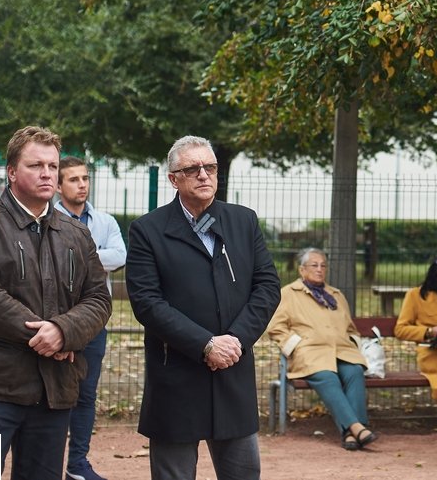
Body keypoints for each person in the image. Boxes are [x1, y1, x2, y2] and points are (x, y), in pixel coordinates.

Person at [0, 126, 112, 480]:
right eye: (36, 165)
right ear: (11, 172)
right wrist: (44, 336)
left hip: (54, 390)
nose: (47, 174)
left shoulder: (75, 233)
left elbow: (99, 298)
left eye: (52, 166)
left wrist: (64, 330)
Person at [127, 136, 282, 480]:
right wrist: (205, 344)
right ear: (173, 178)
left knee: (243, 472)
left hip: (232, 369)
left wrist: (236, 340)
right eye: (192, 168)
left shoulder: (243, 221)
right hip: (177, 375)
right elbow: (147, 303)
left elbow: (268, 287)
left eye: (210, 167)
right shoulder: (148, 231)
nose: (203, 175)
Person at [56, 156, 127, 480]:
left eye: (85, 178)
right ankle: (47, 463)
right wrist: (96, 255)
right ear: (59, 186)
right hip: (57, 325)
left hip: (95, 327)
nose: (82, 184)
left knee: (86, 397)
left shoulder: (106, 222)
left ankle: (77, 464)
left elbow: (120, 256)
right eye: (73, 179)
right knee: (53, 395)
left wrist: (79, 254)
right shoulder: (48, 220)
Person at [267, 248, 378, 451]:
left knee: (354, 371)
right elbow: (276, 328)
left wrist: (352, 344)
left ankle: (350, 433)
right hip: (310, 353)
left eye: (323, 265)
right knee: (328, 376)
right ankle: (357, 427)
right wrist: (297, 346)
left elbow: (351, 328)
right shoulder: (288, 294)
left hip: (341, 350)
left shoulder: (336, 295)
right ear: (302, 270)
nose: (319, 269)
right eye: (314, 265)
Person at [394, 258, 437, 436]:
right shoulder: (415, 295)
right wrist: (429, 331)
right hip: (433, 351)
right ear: (436, 277)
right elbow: (400, 329)